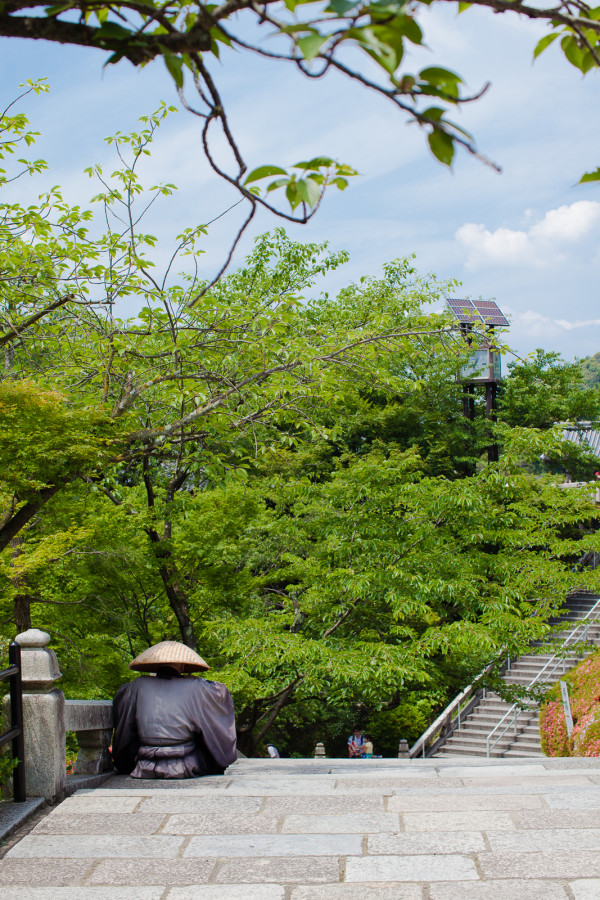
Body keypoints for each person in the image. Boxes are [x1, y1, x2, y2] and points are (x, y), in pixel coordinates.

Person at [111, 640, 237, 779]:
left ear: (156, 664)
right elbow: (221, 694)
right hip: (185, 763)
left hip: (144, 762)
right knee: (209, 748)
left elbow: (121, 708)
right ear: (183, 665)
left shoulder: (136, 685)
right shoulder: (196, 686)